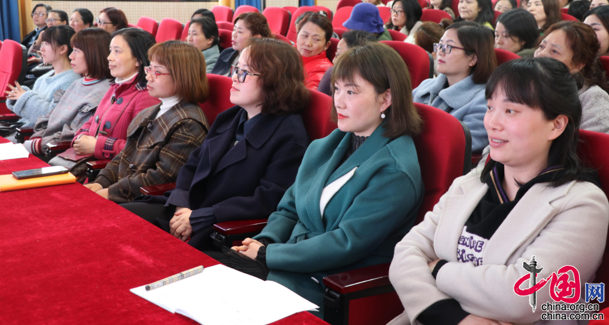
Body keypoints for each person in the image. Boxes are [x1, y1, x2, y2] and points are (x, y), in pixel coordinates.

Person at [388, 57, 609, 325]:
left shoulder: (581, 204)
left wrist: (439, 269)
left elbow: (522, 297)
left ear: (556, 125)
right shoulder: (474, 182)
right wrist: (454, 317)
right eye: (490, 107)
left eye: (510, 111)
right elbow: (407, 252)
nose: (492, 122)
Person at [223, 42, 424, 313]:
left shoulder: (395, 170)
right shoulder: (328, 144)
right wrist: (266, 240)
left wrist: (268, 254)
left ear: (385, 98)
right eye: (336, 89)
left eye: (351, 91)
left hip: (330, 281)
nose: (338, 101)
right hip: (290, 261)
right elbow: (289, 208)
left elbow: (346, 243)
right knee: (210, 278)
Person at [123, 38, 311, 250]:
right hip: (187, 210)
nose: (234, 78)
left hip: (220, 227)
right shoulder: (231, 116)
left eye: (244, 72)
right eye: (236, 69)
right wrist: (181, 206)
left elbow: (267, 200)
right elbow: (193, 164)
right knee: (118, 219)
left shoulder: (290, 136)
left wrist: (199, 217)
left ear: (274, 80)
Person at [85, 41, 210, 203]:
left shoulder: (188, 124)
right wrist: (101, 182)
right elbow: (125, 156)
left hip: (150, 200)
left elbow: (162, 177)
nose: (148, 77)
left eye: (157, 72)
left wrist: (111, 192)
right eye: (149, 69)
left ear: (182, 76)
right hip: (126, 191)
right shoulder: (150, 111)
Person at [48, 28, 160, 177]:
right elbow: (91, 122)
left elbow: (142, 149)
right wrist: (81, 137)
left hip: (114, 174)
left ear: (138, 60)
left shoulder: (147, 96)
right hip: (88, 165)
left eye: (117, 51)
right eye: (110, 50)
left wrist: (97, 146)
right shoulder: (115, 86)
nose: (109, 57)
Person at [25, 28, 113, 156]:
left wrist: (35, 145)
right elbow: (49, 119)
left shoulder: (104, 91)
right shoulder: (78, 83)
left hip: (60, 153)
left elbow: (74, 135)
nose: (71, 56)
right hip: (43, 145)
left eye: (76, 51)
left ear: (93, 54)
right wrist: (35, 139)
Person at [413, 21, 497, 152]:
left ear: (473, 59)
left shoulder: (485, 101)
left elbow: (458, 149)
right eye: (440, 45)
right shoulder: (426, 85)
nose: (440, 52)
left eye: (448, 47)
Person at [534, 21, 609, 133]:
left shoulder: (592, 97)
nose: (541, 54)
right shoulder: (527, 83)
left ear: (577, 65)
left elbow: (593, 142)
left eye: (554, 51)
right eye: (541, 46)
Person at [5, 25, 80, 128]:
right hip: (24, 128)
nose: (42, 49)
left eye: (47, 44)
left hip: (39, 135)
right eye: (43, 43)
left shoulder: (71, 81)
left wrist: (24, 97)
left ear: (62, 49)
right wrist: (21, 95)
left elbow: (53, 118)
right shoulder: (43, 78)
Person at [211, 12, 272, 76]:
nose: (234, 34)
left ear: (256, 38)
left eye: (240, 32)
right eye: (234, 29)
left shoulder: (260, 64)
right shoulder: (226, 53)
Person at [318, 30, 377, 96]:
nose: (334, 60)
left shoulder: (374, 87)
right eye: (337, 89)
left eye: (339, 54)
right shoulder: (332, 72)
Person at [295, 12, 333, 90]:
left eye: (316, 39)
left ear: (326, 45)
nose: (308, 43)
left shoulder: (323, 70)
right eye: (305, 36)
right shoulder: (288, 52)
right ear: (297, 34)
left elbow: (308, 95)